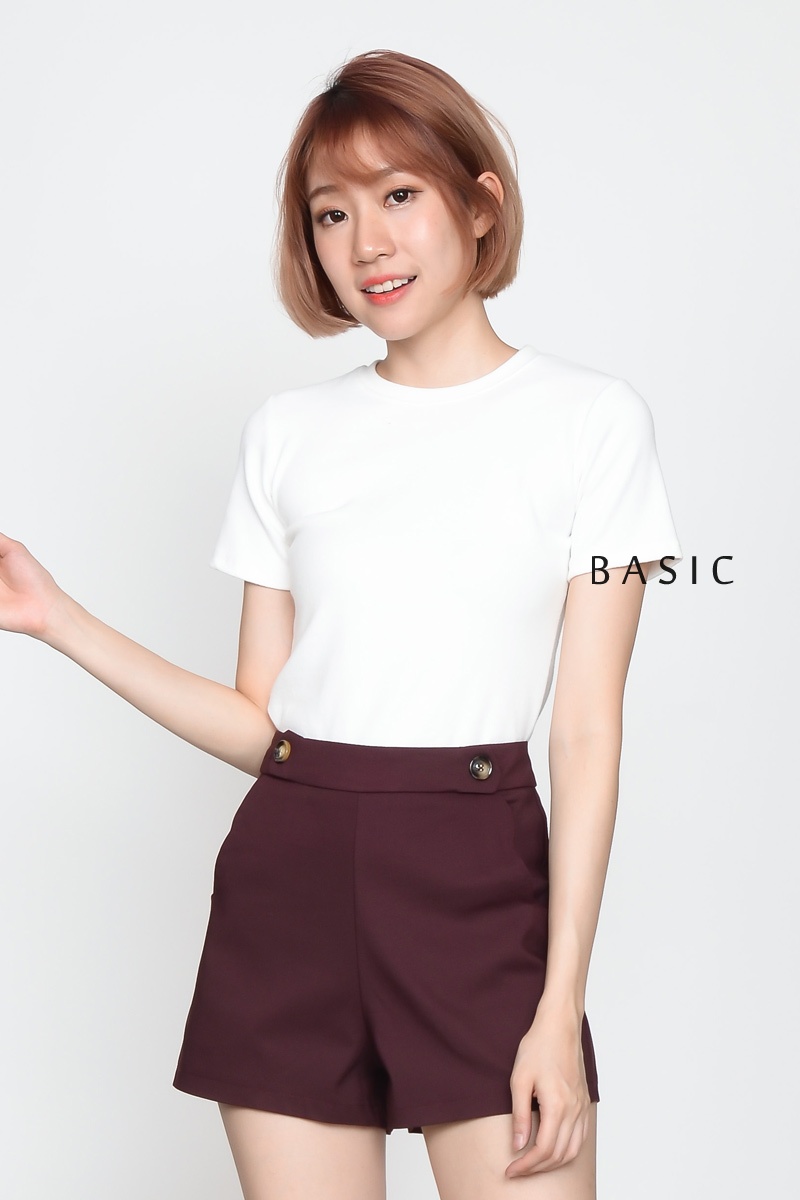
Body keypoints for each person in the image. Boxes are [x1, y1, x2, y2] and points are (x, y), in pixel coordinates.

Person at [0, 48, 682, 1200]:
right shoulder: (287, 435)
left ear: (479, 204)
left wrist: (556, 1007)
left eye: (398, 194)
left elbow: (584, 732)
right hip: (289, 881)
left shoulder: (592, 424)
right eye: (331, 212)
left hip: (476, 880)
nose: (366, 241)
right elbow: (260, 725)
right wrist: (56, 619)